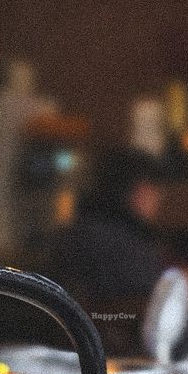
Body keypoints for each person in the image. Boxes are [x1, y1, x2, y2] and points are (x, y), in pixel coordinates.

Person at [44, 148, 172, 350]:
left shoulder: (80, 229)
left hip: (71, 345)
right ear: (140, 190)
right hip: (116, 349)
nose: (158, 200)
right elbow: (154, 292)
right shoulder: (120, 238)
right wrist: (180, 284)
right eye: (155, 191)